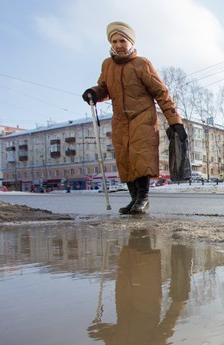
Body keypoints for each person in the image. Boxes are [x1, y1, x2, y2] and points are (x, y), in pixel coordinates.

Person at [82, 21, 187, 215]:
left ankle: (143, 198)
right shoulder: (107, 65)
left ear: (130, 42)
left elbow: (161, 93)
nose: (118, 45)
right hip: (121, 120)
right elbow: (104, 88)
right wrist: (94, 93)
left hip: (142, 117)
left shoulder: (142, 64)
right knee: (125, 159)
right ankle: (133, 199)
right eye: (114, 41)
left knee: (140, 156)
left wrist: (175, 121)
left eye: (122, 40)